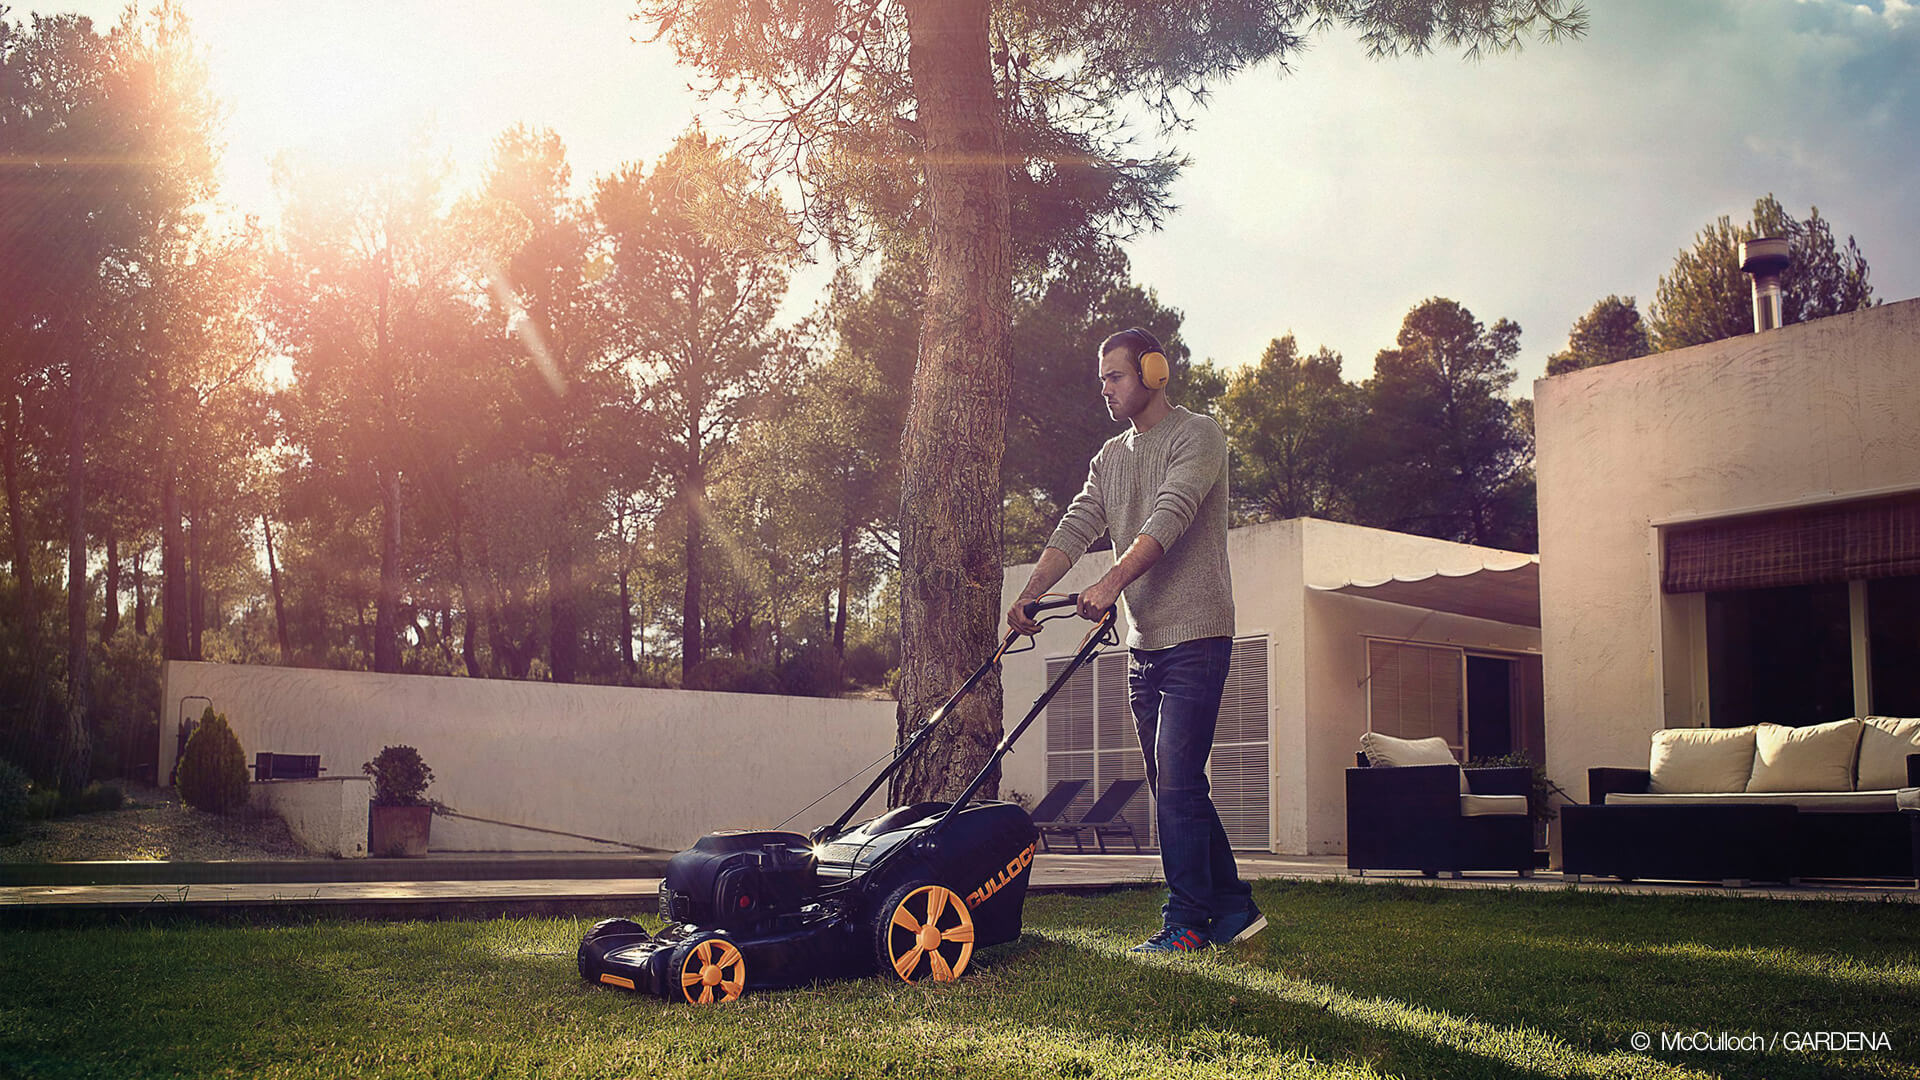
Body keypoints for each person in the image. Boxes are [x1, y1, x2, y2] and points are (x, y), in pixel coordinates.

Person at [1006, 327, 1264, 954]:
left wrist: (1111, 581)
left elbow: (1169, 516)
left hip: (1198, 637)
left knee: (1176, 781)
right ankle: (1233, 909)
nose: (1105, 390)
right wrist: (1031, 592)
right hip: (1143, 647)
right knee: (1174, 782)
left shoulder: (1198, 434)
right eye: (1102, 380)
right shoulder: (1110, 457)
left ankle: (1187, 923)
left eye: (1115, 377)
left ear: (1154, 371)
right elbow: (1078, 524)